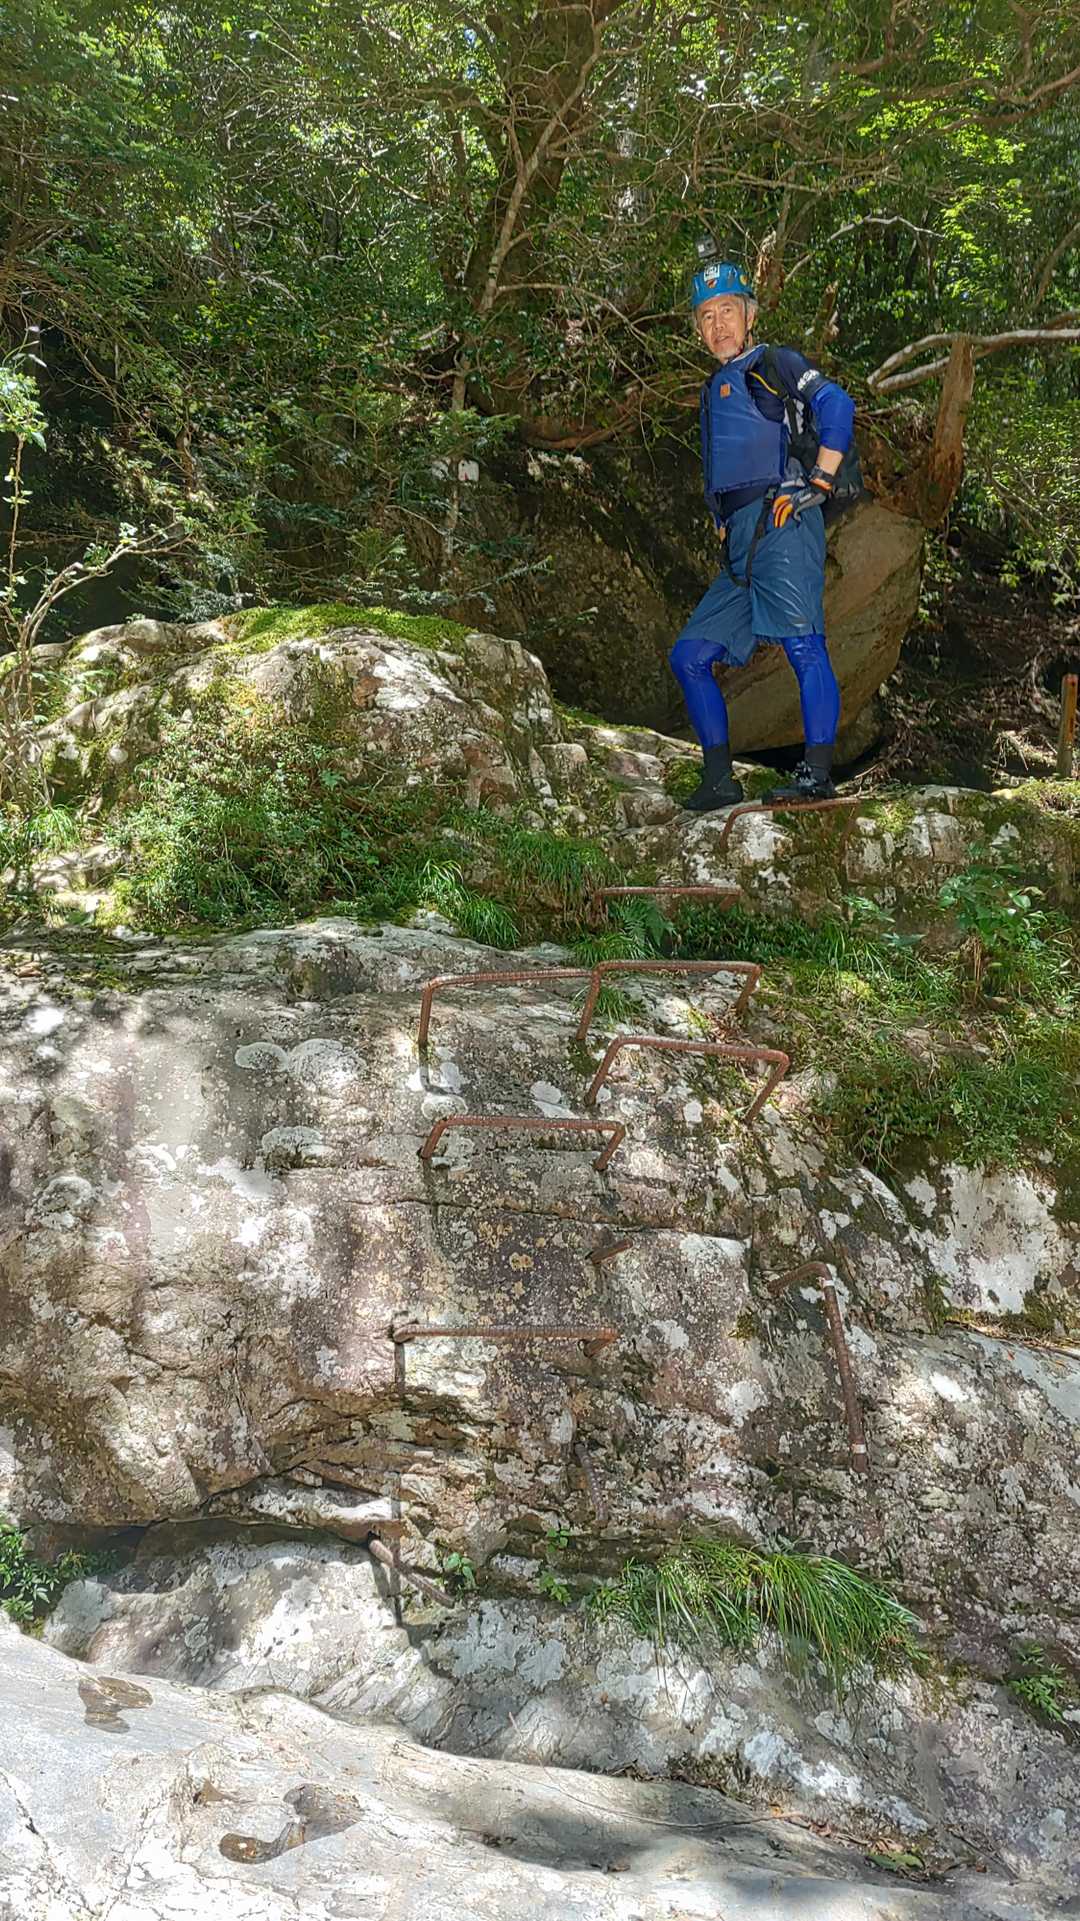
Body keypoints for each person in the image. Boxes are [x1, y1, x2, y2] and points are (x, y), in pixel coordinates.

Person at [669, 260, 856, 811]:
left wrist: (820, 479)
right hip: (738, 545)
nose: (718, 325)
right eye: (707, 317)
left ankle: (816, 776)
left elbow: (837, 403)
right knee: (689, 656)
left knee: (803, 645)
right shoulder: (712, 389)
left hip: (783, 522)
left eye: (727, 311)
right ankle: (719, 780)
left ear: (749, 315)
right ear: (698, 330)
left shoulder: (775, 362)